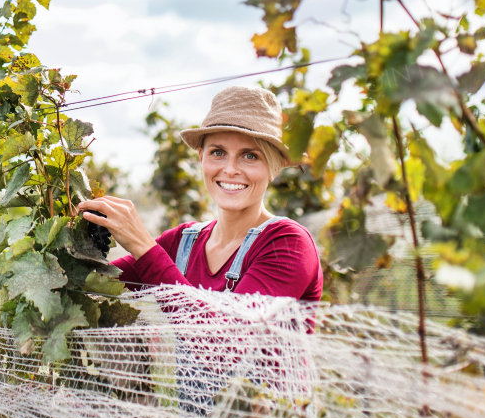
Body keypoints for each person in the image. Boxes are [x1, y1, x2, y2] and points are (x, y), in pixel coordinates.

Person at [76, 85, 322, 302]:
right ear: (200, 157)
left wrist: (142, 245)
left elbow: (224, 342)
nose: (230, 169)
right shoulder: (182, 241)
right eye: (218, 152)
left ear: (273, 168)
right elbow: (87, 283)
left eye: (250, 156)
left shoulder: (288, 244)